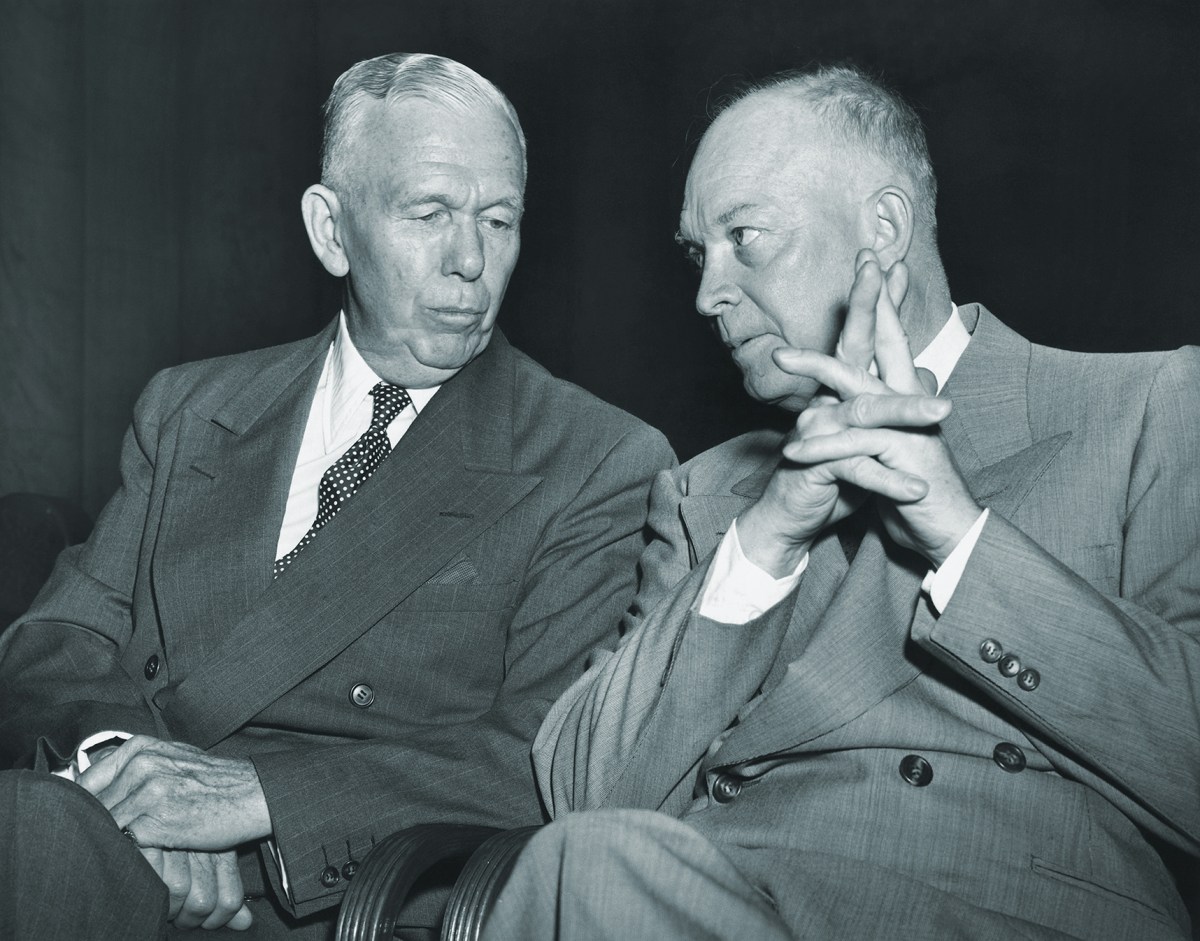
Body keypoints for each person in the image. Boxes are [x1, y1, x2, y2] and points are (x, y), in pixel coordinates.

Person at [481, 65, 1200, 940]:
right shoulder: (708, 493)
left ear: (884, 230)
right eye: (697, 255)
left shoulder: (1146, 407)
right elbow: (580, 793)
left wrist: (959, 535)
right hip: (723, 907)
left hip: (1015, 911)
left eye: (745, 237)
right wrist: (769, 533)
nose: (708, 294)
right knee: (576, 865)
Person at [0, 53, 673, 939]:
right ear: (331, 229)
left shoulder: (596, 457)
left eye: (498, 219)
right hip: (107, 845)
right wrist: (128, 773)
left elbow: (550, 753)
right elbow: (57, 638)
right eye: (430, 213)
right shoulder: (189, 408)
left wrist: (259, 798)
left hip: (332, 893)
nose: (470, 260)